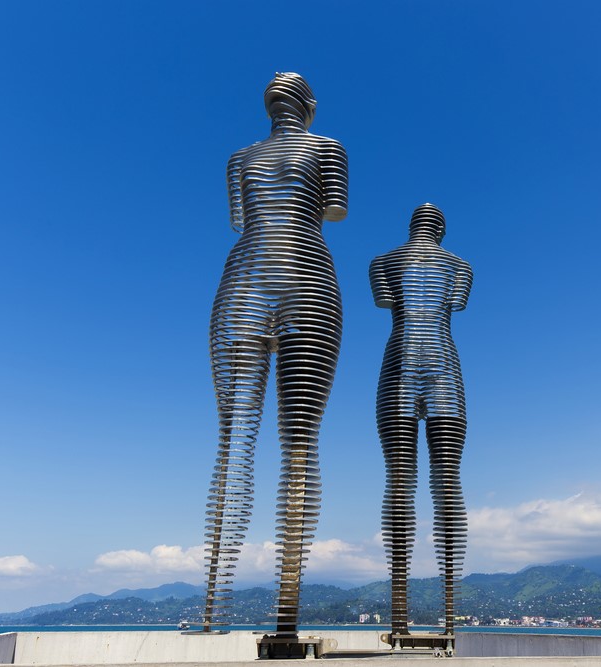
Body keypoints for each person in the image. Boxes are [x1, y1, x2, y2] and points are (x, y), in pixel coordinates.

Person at [201, 72, 348, 637]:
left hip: (243, 281)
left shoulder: (240, 158)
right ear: (310, 106)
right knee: (300, 443)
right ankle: (286, 616)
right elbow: (335, 210)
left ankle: (211, 612)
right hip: (308, 281)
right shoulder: (328, 147)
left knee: (234, 438)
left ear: (269, 107)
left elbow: (238, 221)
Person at [369, 203, 473, 637]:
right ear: (441, 230)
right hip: (444, 368)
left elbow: (384, 301)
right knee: (447, 479)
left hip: (398, 365)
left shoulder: (382, 262)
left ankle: (400, 621)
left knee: (399, 479)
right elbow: (457, 304)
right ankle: (448, 619)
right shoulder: (461, 267)